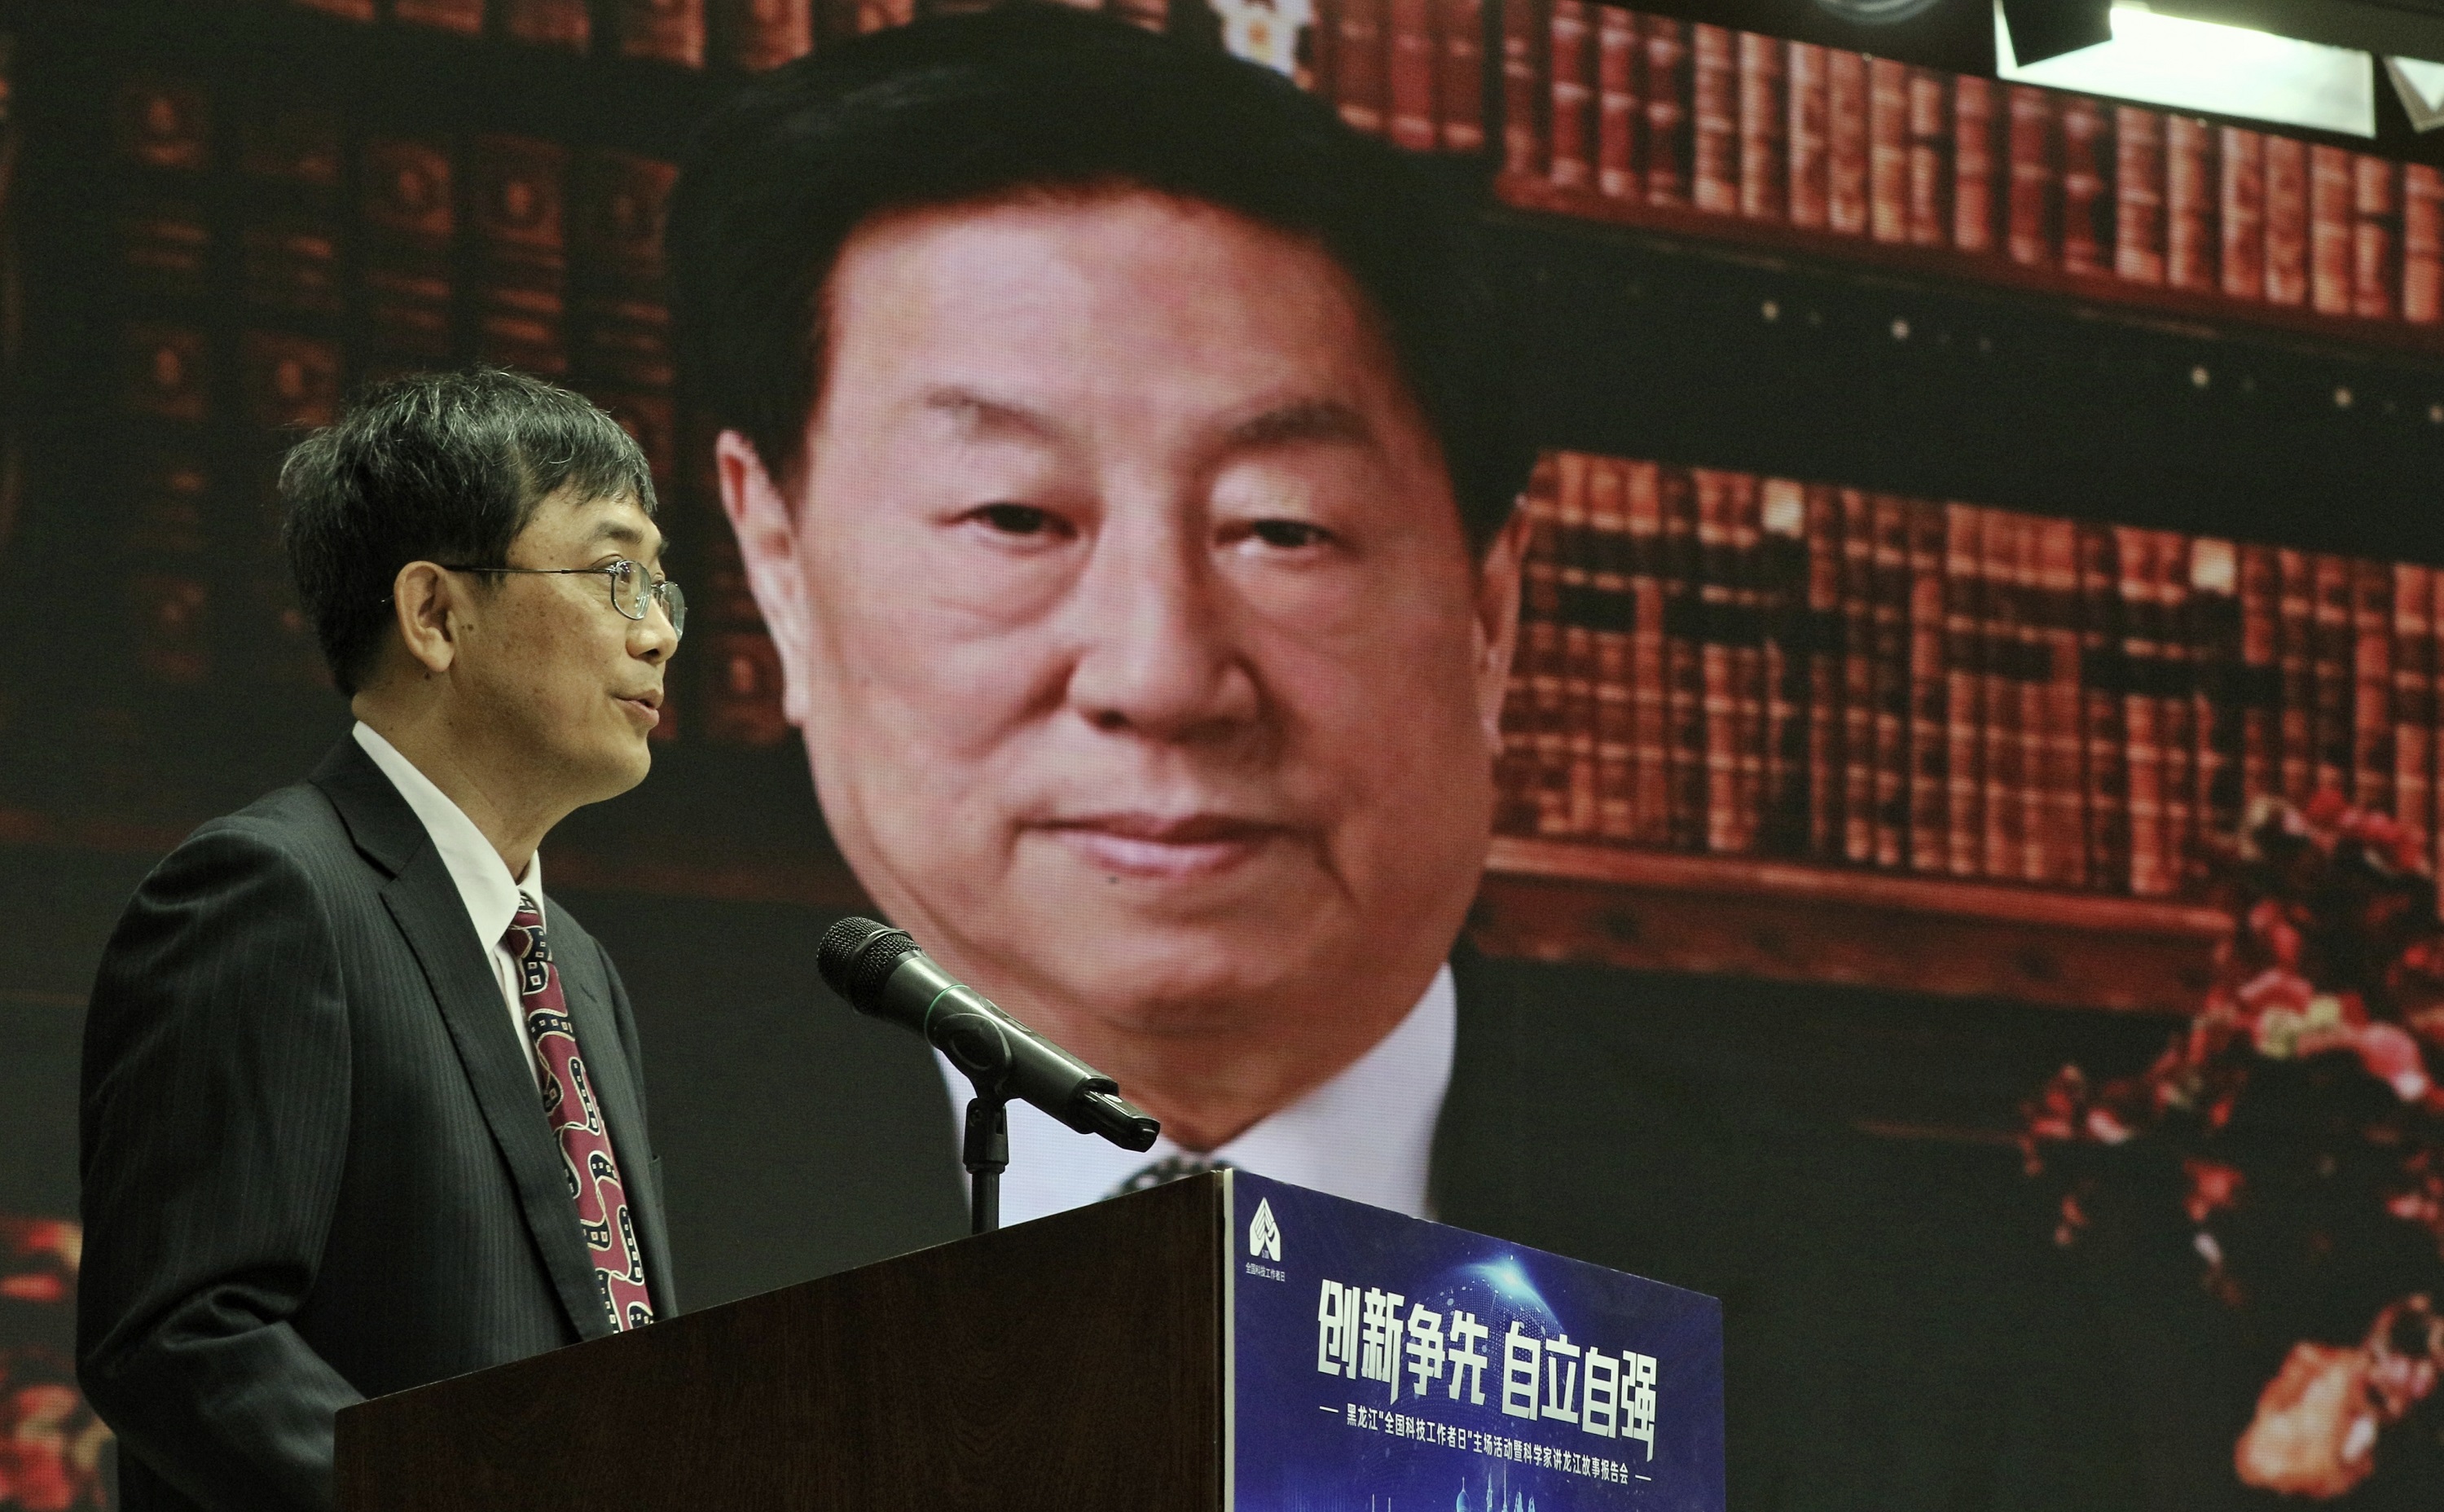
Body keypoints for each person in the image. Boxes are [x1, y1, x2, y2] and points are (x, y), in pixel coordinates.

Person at [666, 8, 2042, 1507]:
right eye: (1014, 518)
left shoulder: (1937, 1324)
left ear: (1490, 614)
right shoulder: (541, 1249)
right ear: (778, 567)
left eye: (1284, 528)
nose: (1163, 676)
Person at [77, 370, 684, 1512]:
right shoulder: (271, 893)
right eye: (616, 576)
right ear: (436, 615)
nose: (655, 634)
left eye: (660, 589)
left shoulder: (578, 969)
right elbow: (187, 1337)